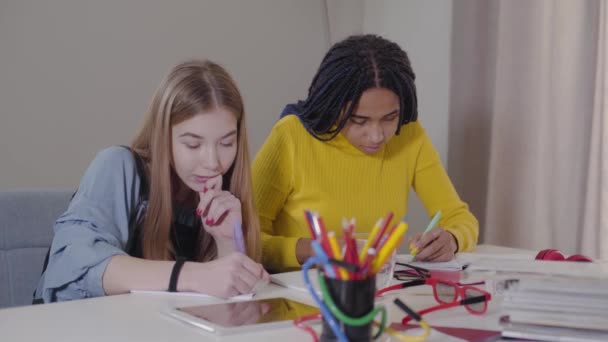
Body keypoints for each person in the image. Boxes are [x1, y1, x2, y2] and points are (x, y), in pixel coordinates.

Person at [34, 60, 269, 302]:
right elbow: (75, 268)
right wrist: (194, 275)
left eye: (226, 143)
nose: (212, 162)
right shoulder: (118, 166)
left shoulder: (224, 191)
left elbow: (229, 301)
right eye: (193, 144)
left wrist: (227, 241)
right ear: (162, 135)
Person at [252, 34, 479, 272]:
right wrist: (316, 249)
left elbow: (459, 217)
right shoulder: (291, 136)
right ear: (333, 107)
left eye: (390, 118)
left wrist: (452, 239)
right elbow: (246, 241)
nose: (377, 136)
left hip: (379, 296)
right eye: (359, 120)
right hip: (301, 300)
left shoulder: (410, 136)